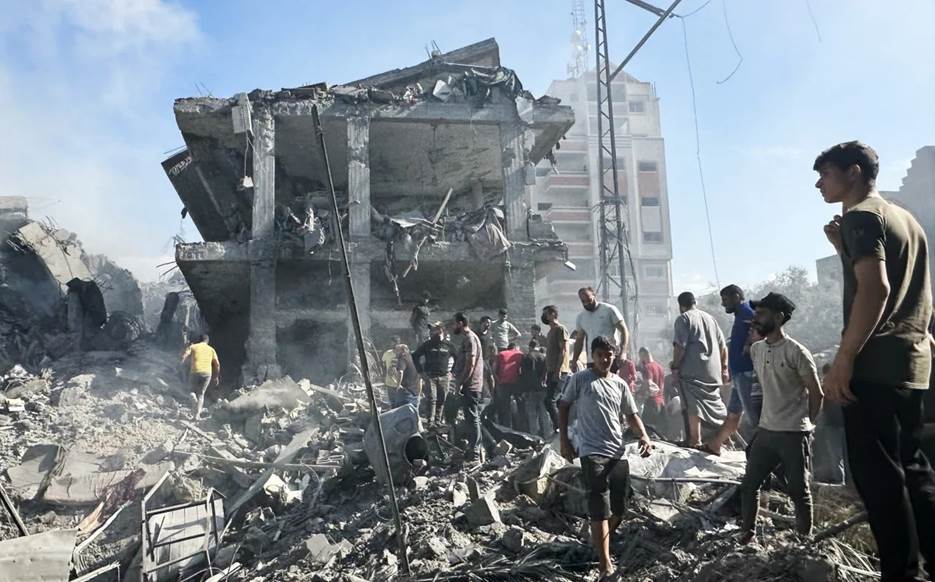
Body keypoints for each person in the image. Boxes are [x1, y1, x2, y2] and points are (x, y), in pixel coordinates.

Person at [817, 141, 935, 581]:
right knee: (914, 471)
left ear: (853, 172)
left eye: (825, 174)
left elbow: (877, 290)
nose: (818, 183)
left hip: (874, 366)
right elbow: (909, 290)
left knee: (880, 481)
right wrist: (842, 250)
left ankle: (902, 574)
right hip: (912, 363)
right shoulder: (906, 220)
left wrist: (845, 359)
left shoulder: (862, 216)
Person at [559, 335, 653, 578]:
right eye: (599, 354)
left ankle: (599, 541)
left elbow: (632, 415)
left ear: (614, 356)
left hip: (617, 452)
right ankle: (604, 566)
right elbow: (563, 406)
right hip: (591, 451)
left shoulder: (620, 384)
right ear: (593, 356)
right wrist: (565, 441)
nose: (604, 359)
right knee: (599, 507)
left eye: (608, 354)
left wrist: (643, 436)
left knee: (619, 510)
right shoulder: (580, 379)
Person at [738, 292, 823, 545]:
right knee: (750, 484)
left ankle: (803, 541)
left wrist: (809, 425)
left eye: (762, 314)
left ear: (779, 317)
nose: (756, 319)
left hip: (793, 433)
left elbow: (816, 393)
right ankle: (747, 534)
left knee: (799, 490)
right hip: (766, 432)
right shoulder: (756, 350)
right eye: (756, 314)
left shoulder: (797, 352)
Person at [703, 285, 760, 455]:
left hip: (746, 374)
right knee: (734, 415)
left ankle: (763, 455)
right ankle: (715, 445)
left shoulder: (746, 312)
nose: (722, 304)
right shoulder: (741, 315)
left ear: (736, 296)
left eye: (725, 299)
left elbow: (758, 331)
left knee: (753, 419)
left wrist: (749, 345)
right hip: (739, 375)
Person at [670, 291, 729, 448]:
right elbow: (723, 346)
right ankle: (726, 438)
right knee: (716, 404)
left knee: (692, 405)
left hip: (692, 373)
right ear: (694, 301)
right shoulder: (711, 319)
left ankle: (695, 440)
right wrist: (724, 368)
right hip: (713, 373)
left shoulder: (683, 319)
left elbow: (680, 346)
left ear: (681, 305)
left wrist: (675, 365)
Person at [452, 312, 485, 462]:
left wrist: (461, 382)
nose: (453, 327)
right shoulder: (468, 338)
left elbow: (470, 364)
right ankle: (474, 447)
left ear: (460, 323)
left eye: (454, 323)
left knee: (473, 418)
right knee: (471, 417)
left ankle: (475, 450)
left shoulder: (470, 339)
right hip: (469, 384)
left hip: (470, 385)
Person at [572, 287, 630, 372]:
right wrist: (574, 360)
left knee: (610, 383)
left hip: (610, 357)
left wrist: (623, 352)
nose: (587, 303)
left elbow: (624, 330)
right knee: (593, 384)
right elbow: (579, 341)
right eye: (583, 301)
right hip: (593, 360)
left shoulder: (609, 309)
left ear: (594, 295)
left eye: (589, 299)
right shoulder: (581, 317)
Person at [412, 322, 455, 428]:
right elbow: (415, 356)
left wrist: (452, 373)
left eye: (435, 330)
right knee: (432, 398)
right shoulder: (427, 344)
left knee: (442, 398)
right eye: (432, 330)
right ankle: (430, 422)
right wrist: (420, 372)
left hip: (444, 377)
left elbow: (458, 359)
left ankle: (438, 420)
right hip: (430, 376)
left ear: (442, 331)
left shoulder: (449, 345)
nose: (433, 332)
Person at [812, 362, 846, 484]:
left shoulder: (828, 387)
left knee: (836, 456)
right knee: (837, 456)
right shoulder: (845, 386)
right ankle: (840, 480)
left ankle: (839, 481)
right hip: (838, 425)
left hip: (834, 425)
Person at [542, 305, 571, 432]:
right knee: (556, 401)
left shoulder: (560, 329)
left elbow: (563, 351)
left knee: (550, 400)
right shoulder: (550, 332)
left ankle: (560, 427)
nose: (544, 317)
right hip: (551, 370)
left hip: (559, 371)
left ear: (553, 314)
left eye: (546, 314)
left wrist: (558, 369)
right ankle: (562, 426)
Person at [181, 333, 220, 420]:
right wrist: (216, 376)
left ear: (199, 340)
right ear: (207, 341)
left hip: (195, 371)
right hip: (207, 373)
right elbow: (217, 364)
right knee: (201, 394)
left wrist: (182, 361)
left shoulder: (194, 346)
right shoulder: (211, 349)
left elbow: (185, 354)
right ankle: (196, 416)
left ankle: (193, 399)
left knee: (191, 390)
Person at [517, 338, 548, 434]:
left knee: (532, 415)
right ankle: (547, 435)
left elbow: (522, 374)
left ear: (529, 347)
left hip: (530, 390)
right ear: (538, 347)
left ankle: (534, 437)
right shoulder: (543, 357)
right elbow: (547, 373)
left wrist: (523, 390)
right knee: (544, 414)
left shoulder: (526, 357)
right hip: (543, 389)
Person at [492, 341, 524, 427]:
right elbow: (522, 370)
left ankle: (507, 427)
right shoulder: (520, 354)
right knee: (520, 405)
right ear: (516, 347)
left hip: (503, 383)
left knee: (505, 407)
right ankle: (521, 426)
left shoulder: (500, 354)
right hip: (516, 383)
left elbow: (494, 369)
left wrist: (498, 381)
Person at [637, 347, 666, 431]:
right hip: (661, 402)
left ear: (643, 355)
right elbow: (662, 385)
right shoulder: (660, 366)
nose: (640, 359)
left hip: (651, 403)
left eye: (640, 357)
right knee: (660, 431)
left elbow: (648, 384)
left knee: (648, 430)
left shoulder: (647, 367)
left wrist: (640, 393)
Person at [391, 344, 420, 409]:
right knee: (413, 413)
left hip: (406, 391)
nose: (395, 352)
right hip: (415, 391)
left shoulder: (402, 358)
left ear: (402, 350)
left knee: (401, 412)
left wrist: (398, 386)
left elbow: (400, 372)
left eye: (396, 350)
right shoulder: (413, 358)